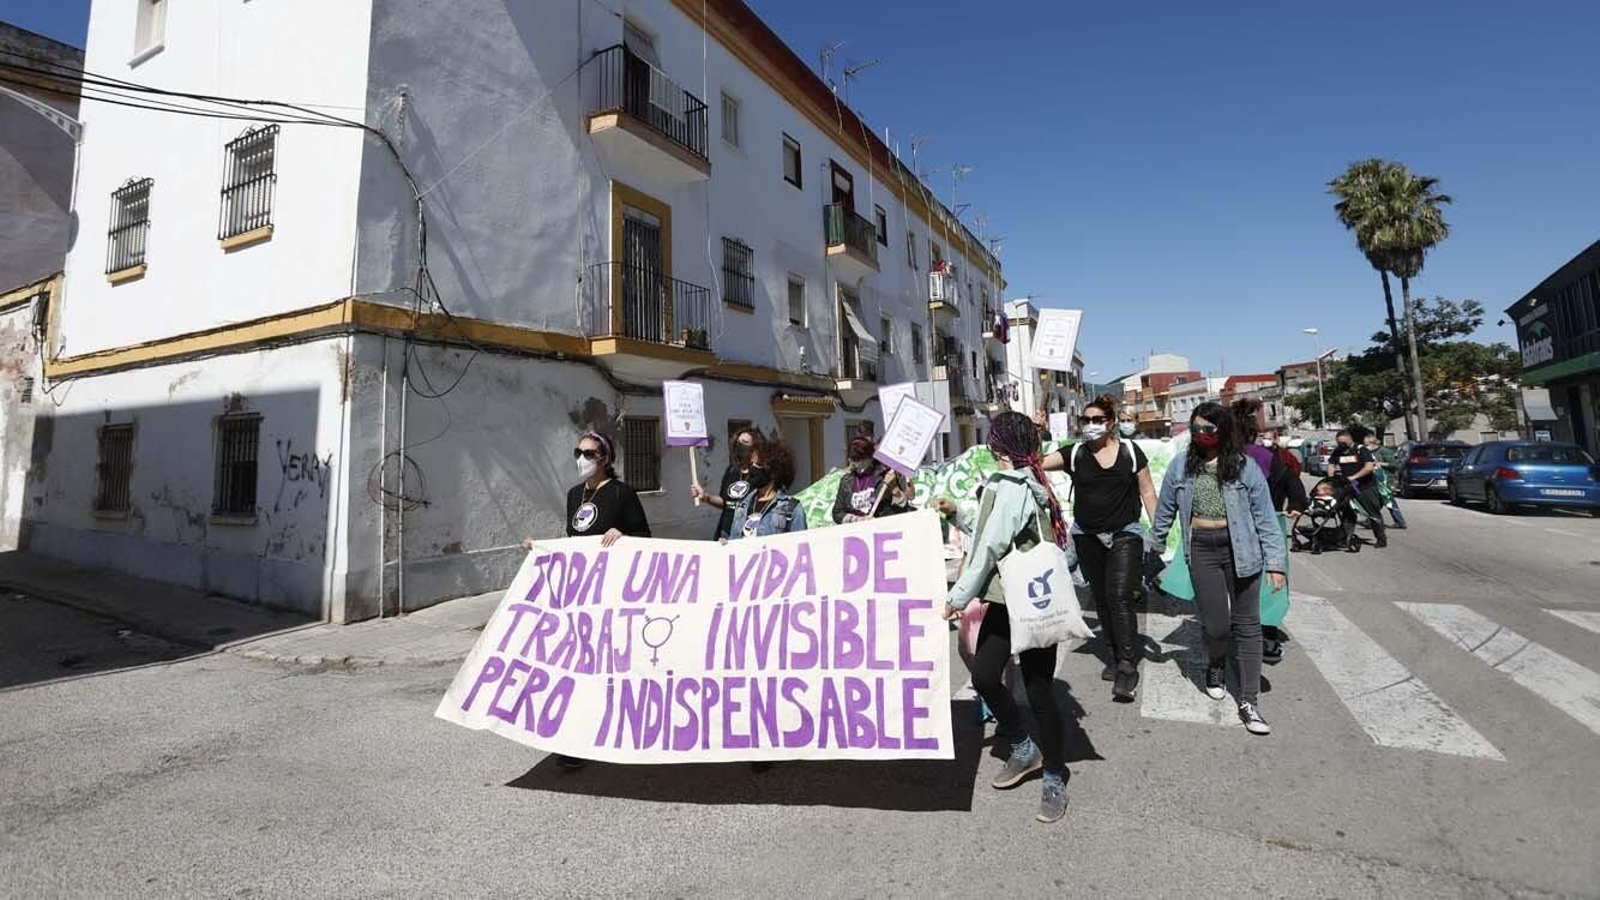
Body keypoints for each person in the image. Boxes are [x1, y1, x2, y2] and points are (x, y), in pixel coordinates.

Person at [937, 411, 1074, 824]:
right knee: (983, 676)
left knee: (1038, 691)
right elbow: (992, 528)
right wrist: (957, 512)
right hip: (1006, 599)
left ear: (997, 444)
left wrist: (957, 597)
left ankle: (1053, 775)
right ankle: (1023, 746)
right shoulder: (1021, 480)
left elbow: (991, 546)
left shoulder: (1013, 484)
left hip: (1028, 602)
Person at [1152, 402, 1287, 735]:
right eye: (1195, 429)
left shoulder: (1245, 467)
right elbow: (1165, 511)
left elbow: (1266, 518)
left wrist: (1277, 563)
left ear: (1223, 431)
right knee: (1215, 626)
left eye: (1208, 430)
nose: (1201, 435)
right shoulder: (1181, 467)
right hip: (1201, 549)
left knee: (1249, 625)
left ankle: (1249, 701)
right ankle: (1215, 665)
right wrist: (1152, 549)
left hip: (1242, 551)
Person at [527, 430, 651, 769]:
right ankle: (574, 740)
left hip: (612, 594)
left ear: (606, 459)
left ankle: (619, 727)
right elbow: (573, 541)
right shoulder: (573, 495)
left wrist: (623, 534)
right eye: (578, 452)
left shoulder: (623, 494)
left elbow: (645, 537)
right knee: (577, 667)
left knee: (608, 667)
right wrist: (542, 549)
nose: (582, 459)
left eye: (590, 453)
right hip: (580, 595)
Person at [1041, 394, 1157, 702]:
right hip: (1086, 536)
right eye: (1086, 420)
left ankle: (1127, 664)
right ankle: (1113, 652)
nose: (1091, 425)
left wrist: (1158, 532)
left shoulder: (1131, 452)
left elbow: (1147, 491)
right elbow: (1036, 465)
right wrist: (1038, 434)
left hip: (1125, 533)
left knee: (1119, 595)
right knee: (1103, 598)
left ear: (1111, 423)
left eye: (1097, 420)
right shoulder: (1074, 453)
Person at [1250, 427, 1307, 665]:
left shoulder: (1274, 459)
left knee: (1269, 582)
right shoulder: (1224, 455)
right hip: (1236, 529)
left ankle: (1267, 638)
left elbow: (1291, 479)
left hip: (1267, 526)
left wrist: (1297, 502)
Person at [726, 439, 808, 539]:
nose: (752, 469)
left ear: (773, 471)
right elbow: (734, 540)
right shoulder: (742, 504)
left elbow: (801, 546)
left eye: (758, 465)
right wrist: (726, 545)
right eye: (751, 464)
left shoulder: (792, 509)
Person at [692, 426, 762, 539]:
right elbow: (725, 502)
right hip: (726, 534)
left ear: (755, 448)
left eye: (744, 442)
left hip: (748, 536)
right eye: (738, 442)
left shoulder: (761, 474)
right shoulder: (732, 470)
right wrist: (705, 497)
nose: (739, 445)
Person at [1327, 427, 1387, 551]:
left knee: (1373, 512)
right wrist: (1331, 479)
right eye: (1338, 442)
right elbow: (1331, 464)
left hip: (1365, 486)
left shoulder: (1361, 450)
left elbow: (1369, 467)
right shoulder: (1338, 451)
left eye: (1343, 442)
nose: (1340, 445)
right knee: (1347, 513)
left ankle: (1381, 539)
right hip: (1347, 487)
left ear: (1350, 439)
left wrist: (1354, 477)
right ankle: (1345, 538)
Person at [832, 437, 915, 523]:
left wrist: (894, 488)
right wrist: (858, 520)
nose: (857, 465)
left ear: (870, 458)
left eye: (861, 461)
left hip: (882, 529)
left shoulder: (886, 475)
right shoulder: (847, 481)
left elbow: (902, 508)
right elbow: (837, 513)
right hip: (856, 532)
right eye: (854, 461)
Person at [1363, 433, 1408, 529]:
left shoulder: (1384, 451)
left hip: (1386, 480)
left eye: (1367, 445)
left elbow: (1395, 464)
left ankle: (1399, 521)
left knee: (1387, 500)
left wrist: (1380, 463)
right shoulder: (1369, 453)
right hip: (1375, 479)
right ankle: (1371, 520)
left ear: (1373, 443)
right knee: (1378, 501)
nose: (1365, 447)